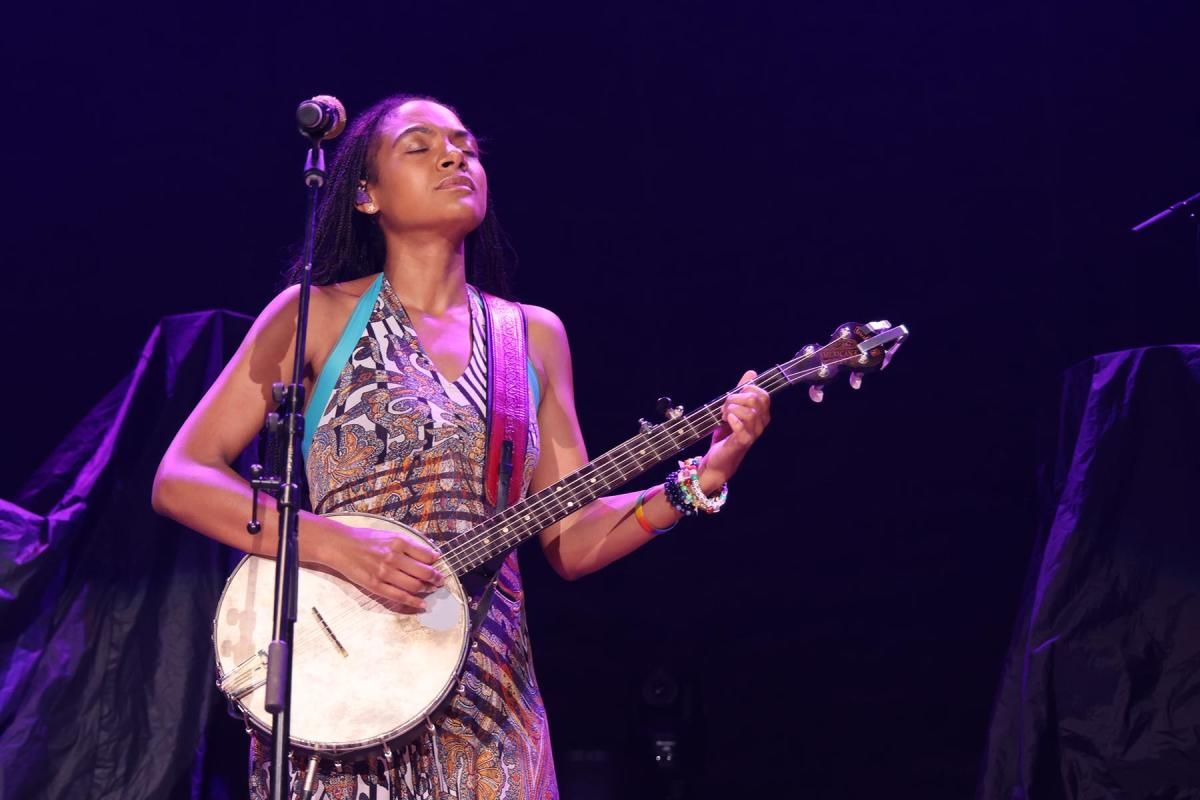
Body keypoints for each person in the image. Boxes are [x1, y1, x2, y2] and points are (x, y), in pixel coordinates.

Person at [151, 92, 772, 800]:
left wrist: (701, 479)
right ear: (364, 194)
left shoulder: (530, 335)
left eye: (467, 146)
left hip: (490, 707)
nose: (456, 155)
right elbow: (180, 476)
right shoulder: (315, 315)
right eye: (420, 147)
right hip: (344, 695)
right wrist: (335, 545)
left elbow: (571, 538)